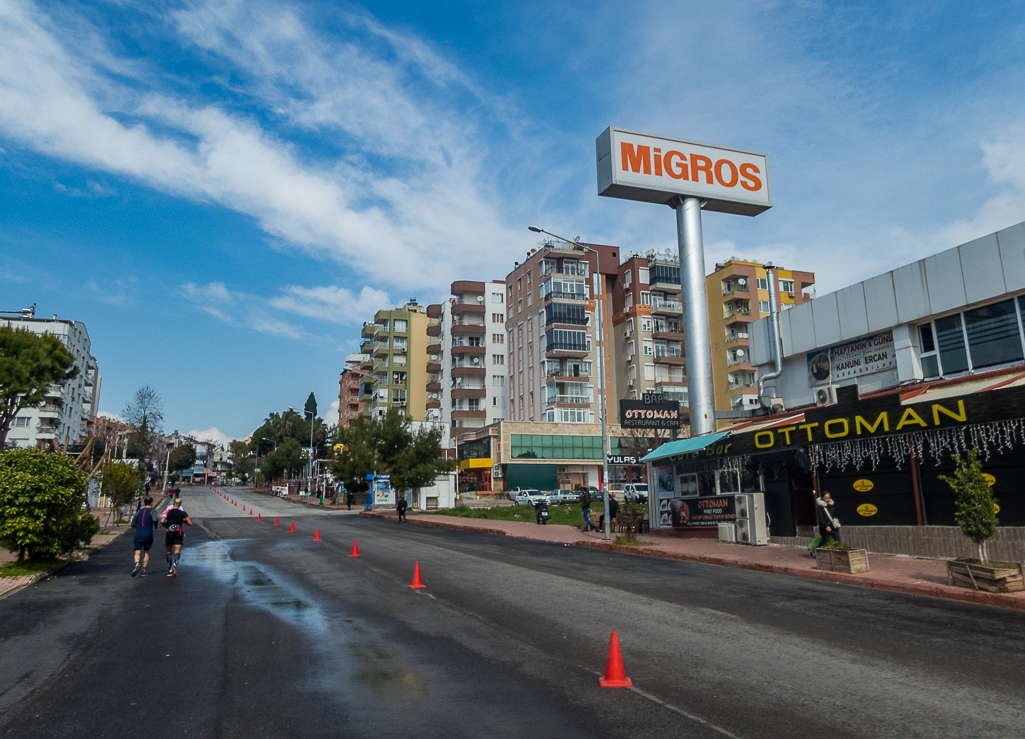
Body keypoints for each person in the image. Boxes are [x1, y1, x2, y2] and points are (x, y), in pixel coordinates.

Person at [160, 498, 192, 577]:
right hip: (178, 532)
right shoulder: (183, 513)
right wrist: (183, 521)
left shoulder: (167, 511)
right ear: (180, 504)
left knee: (168, 551)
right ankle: (175, 565)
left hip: (169, 532)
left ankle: (170, 568)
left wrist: (167, 525)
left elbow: (162, 520)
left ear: (173, 503)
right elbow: (189, 523)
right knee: (177, 551)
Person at [130, 496, 157, 577]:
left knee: (137, 551)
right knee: (146, 552)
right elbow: (155, 520)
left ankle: (137, 564)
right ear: (151, 503)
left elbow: (133, 523)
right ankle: (144, 570)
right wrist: (155, 526)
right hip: (148, 534)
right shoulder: (153, 512)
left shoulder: (138, 512)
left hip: (138, 534)